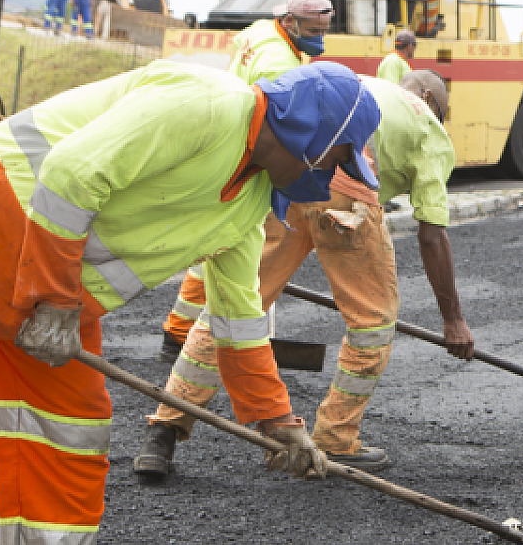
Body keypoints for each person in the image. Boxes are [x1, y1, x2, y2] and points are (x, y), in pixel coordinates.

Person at [0, 58, 381, 543]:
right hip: (6, 222)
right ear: (312, 136)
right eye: (338, 160)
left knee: (69, 430)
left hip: (37, 291)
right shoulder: (207, 103)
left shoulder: (248, 204)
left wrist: (278, 420)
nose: (331, 179)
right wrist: (52, 299)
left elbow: (239, 319)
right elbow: (71, 172)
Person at [134, 69, 473, 478]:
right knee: (372, 325)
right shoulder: (429, 127)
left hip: (288, 181)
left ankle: (164, 430)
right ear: (429, 98)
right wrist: (453, 321)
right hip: (349, 200)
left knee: (232, 309)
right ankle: (336, 439)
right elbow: (432, 235)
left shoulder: (361, 85)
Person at [157, 0, 335, 362]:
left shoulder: (261, 31)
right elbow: (279, 126)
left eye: (323, 30)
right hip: (246, 154)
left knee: (216, 243)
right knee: (246, 246)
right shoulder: (278, 63)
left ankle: (178, 329)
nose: (319, 38)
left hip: (229, 142)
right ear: (290, 22)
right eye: (313, 30)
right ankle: (234, 344)